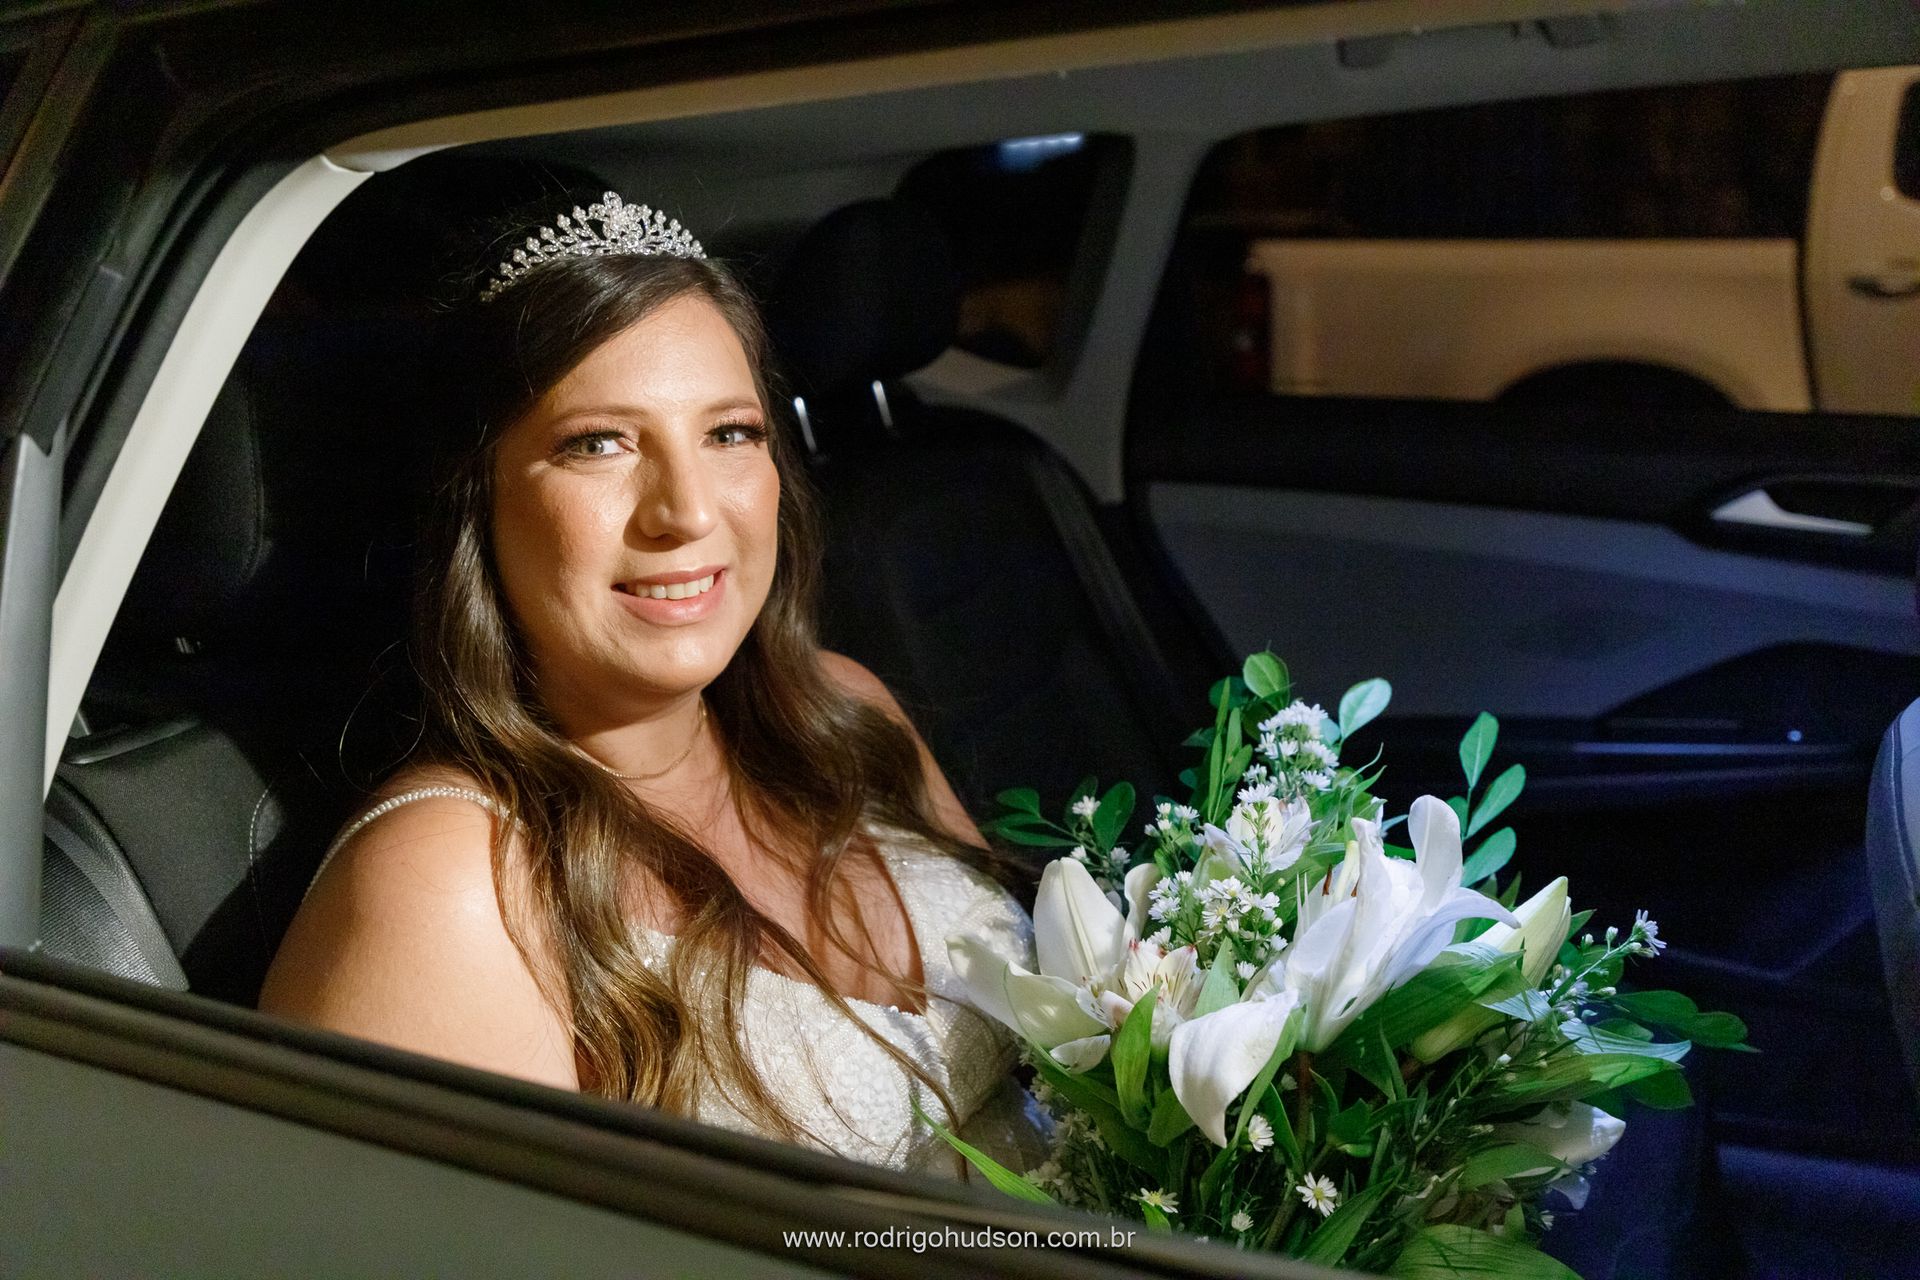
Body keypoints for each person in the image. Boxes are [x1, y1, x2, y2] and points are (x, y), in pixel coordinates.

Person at [258, 192, 1049, 1175]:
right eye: (600, 442)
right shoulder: (456, 883)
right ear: (478, 500)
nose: (685, 511)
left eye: (729, 433)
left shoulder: (844, 709)